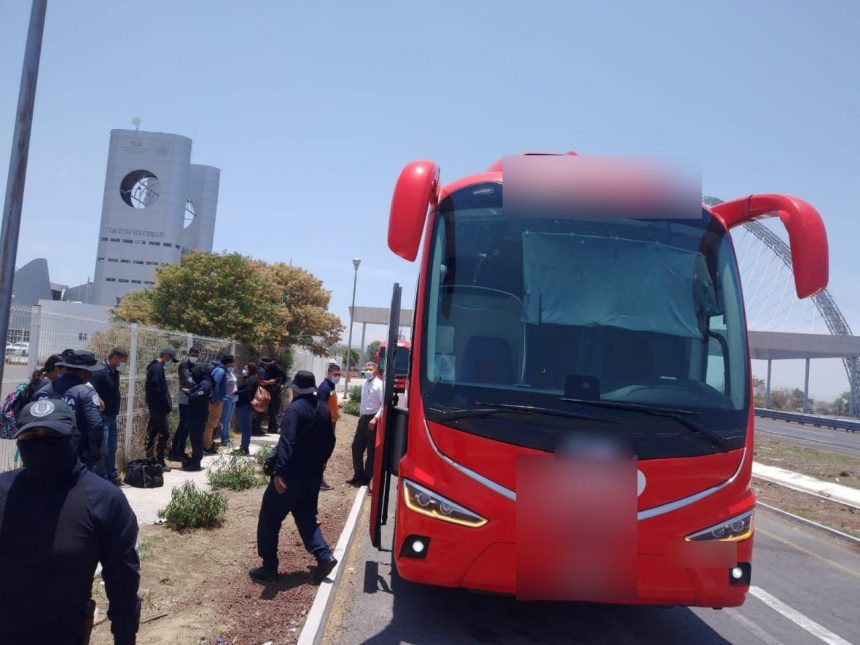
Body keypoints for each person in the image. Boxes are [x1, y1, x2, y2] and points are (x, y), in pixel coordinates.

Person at [0, 399, 140, 644]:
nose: (41, 442)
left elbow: (123, 581)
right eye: (31, 435)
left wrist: (125, 636)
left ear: (73, 436)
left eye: (52, 434)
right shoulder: (3, 490)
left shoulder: (105, 500)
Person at [250, 370, 337, 584]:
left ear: (296, 389)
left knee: (270, 517)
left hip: (290, 476)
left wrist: (279, 472)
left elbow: (287, 442)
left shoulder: (295, 409)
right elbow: (331, 441)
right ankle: (324, 556)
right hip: (313, 476)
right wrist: (322, 463)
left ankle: (269, 567)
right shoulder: (324, 410)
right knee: (306, 516)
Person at [33, 349, 105, 471]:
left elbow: (32, 423)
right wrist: (94, 453)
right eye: (89, 372)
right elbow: (95, 425)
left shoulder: (43, 392)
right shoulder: (86, 393)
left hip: (44, 454)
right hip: (75, 456)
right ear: (83, 372)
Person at [89, 347, 128, 486]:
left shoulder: (114, 372)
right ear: (115, 358)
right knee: (103, 449)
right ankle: (103, 479)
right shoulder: (99, 371)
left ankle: (112, 475)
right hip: (102, 417)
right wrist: (98, 399)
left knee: (112, 448)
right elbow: (90, 389)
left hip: (112, 416)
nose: (122, 364)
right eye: (122, 361)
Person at [347, 362, 384, 486]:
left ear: (375, 370)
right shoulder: (364, 383)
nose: (367, 371)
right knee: (356, 447)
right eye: (365, 368)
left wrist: (376, 418)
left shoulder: (379, 385)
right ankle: (358, 475)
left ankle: (366, 478)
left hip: (372, 420)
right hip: (362, 419)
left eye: (370, 369)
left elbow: (383, 405)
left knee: (371, 451)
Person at [144, 348, 176, 471]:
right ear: (166, 356)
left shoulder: (156, 367)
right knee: (165, 433)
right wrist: (165, 405)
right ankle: (159, 461)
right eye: (171, 359)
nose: (171, 362)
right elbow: (158, 390)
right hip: (158, 407)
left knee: (152, 432)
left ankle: (150, 458)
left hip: (156, 406)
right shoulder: (156, 368)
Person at [171, 346, 201, 462]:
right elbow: (188, 381)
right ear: (189, 354)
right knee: (183, 425)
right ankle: (175, 451)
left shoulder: (196, 366)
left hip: (193, 398)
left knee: (187, 426)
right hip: (185, 399)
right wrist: (199, 386)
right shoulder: (184, 365)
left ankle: (181, 451)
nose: (194, 357)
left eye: (196, 355)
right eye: (192, 355)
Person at [316, 363, 342, 491]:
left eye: (339, 375)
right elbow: (321, 407)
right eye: (335, 374)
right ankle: (318, 479)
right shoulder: (325, 388)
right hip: (326, 424)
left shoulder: (331, 386)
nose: (337, 377)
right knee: (323, 451)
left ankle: (319, 478)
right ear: (329, 373)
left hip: (331, 422)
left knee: (326, 451)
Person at [202, 355, 227, 453]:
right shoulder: (221, 371)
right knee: (211, 424)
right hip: (216, 401)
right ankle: (207, 447)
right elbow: (215, 384)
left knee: (211, 424)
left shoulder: (216, 369)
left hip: (213, 400)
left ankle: (206, 445)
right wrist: (216, 399)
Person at [235, 361, 260, 455]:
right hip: (242, 405)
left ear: (250, 369)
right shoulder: (248, 378)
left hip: (246, 406)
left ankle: (244, 448)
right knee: (244, 427)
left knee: (245, 428)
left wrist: (237, 393)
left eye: (246, 369)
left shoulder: (252, 379)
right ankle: (243, 447)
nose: (244, 370)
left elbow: (249, 390)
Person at [259, 357, 286, 434]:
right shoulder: (276, 371)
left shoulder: (270, 370)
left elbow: (282, 380)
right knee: (273, 411)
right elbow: (281, 380)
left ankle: (272, 427)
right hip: (273, 393)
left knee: (271, 411)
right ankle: (272, 427)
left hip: (270, 392)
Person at [219, 355, 238, 448]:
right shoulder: (223, 372)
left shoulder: (230, 372)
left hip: (232, 399)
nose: (235, 364)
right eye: (233, 362)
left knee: (228, 420)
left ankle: (227, 438)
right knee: (225, 420)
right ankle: (224, 439)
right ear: (229, 362)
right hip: (226, 398)